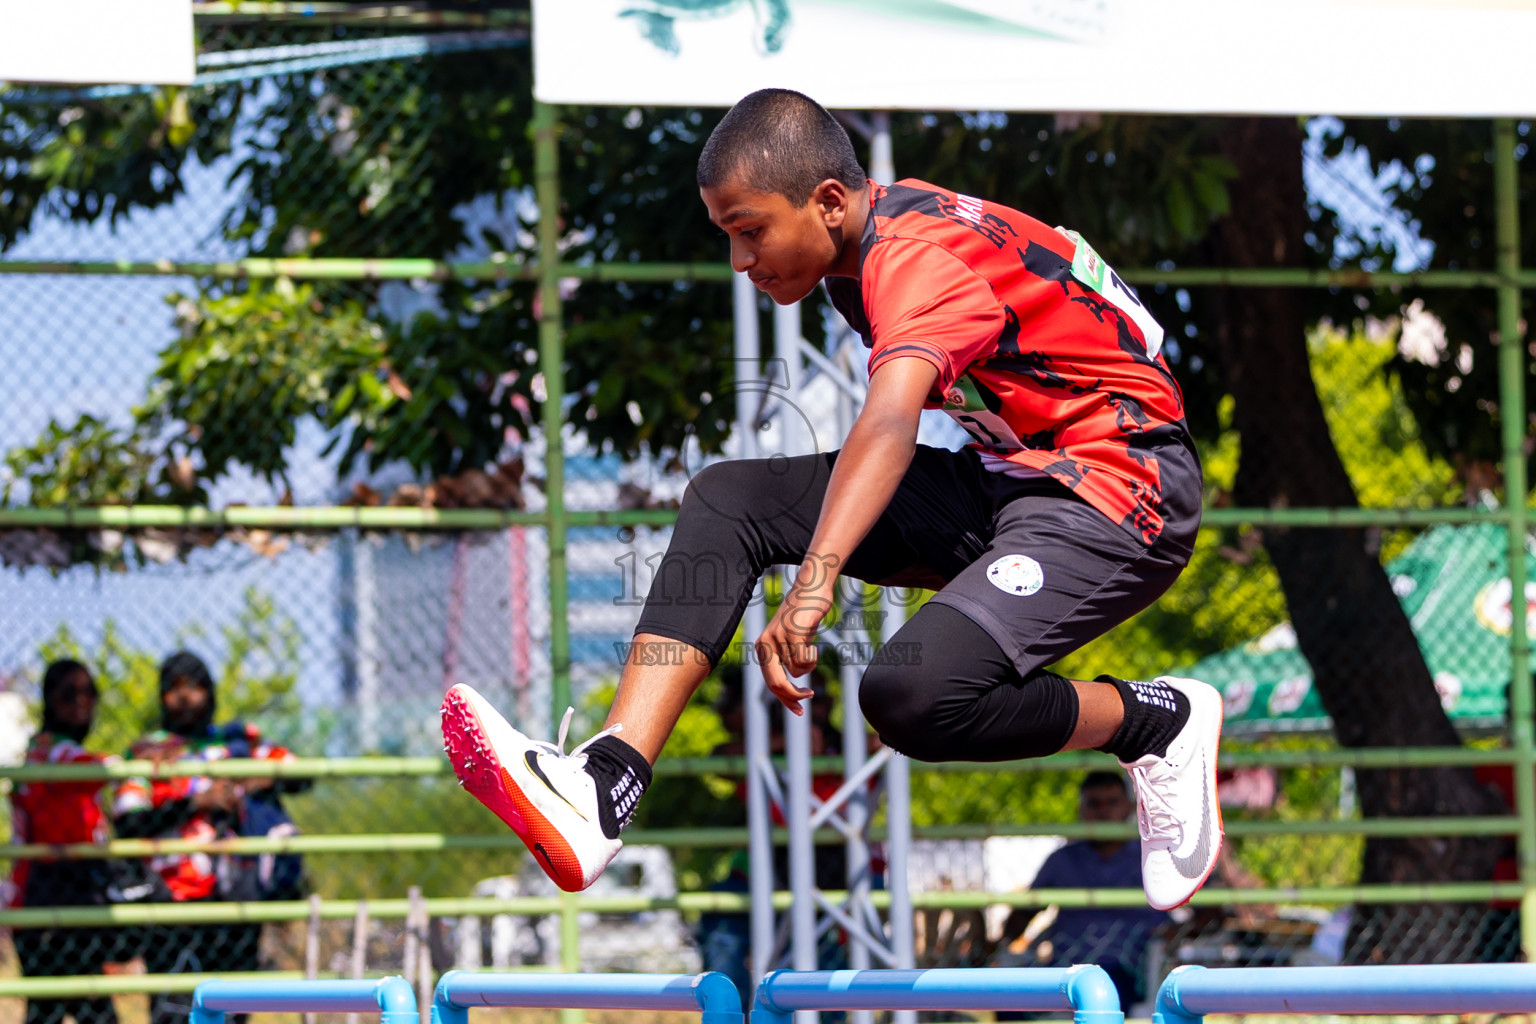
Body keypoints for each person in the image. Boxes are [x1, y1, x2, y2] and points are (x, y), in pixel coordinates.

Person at [441, 88, 1223, 913]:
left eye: (750, 231)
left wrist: (814, 586)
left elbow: (887, 422)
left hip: (1122, 496)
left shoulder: (915, 263)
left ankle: (1153, 722)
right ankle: (607, 782)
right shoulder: (865, 251)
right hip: (1016, 480)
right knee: (730, 499)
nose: (741, 263)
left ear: (829, 202)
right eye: (728, 237)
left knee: (911, 697)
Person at [113, 651, 309, 1024]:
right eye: (174, 689)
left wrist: (248, 780)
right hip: (172, 902)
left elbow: (300, 772)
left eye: (195, 687)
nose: (185, 697)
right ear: (162, 697)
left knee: (233, 1011)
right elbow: (127, 820)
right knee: (174, 1011)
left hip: (233, 899)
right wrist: (196, 803)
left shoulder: (236, 743)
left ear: (210, 692)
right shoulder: (147, 751)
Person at [9, 660, 133, 1024]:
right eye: (68, 695)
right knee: (55, 1006)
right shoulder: (48, 751)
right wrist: (132, 761)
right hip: (44, 894)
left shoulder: (57, 751)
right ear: (49, 701)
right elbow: (92, 770)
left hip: (73, 891)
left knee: (83, 1004)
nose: (81, 703)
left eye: (89, 694)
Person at [997, 771, 1169, 1013]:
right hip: (1065, 969)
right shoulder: (1063, 860)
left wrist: (1172, 934)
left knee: (1104, 998)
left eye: (1111, 803)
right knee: (1007, 1004)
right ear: (1081, 810)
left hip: (1127, 969)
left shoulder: (1151, 858)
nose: (1102, 812)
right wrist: (998, 943)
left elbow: (1203, 910)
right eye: (1093, 804)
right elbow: (1024, 913)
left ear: (1130, 808)